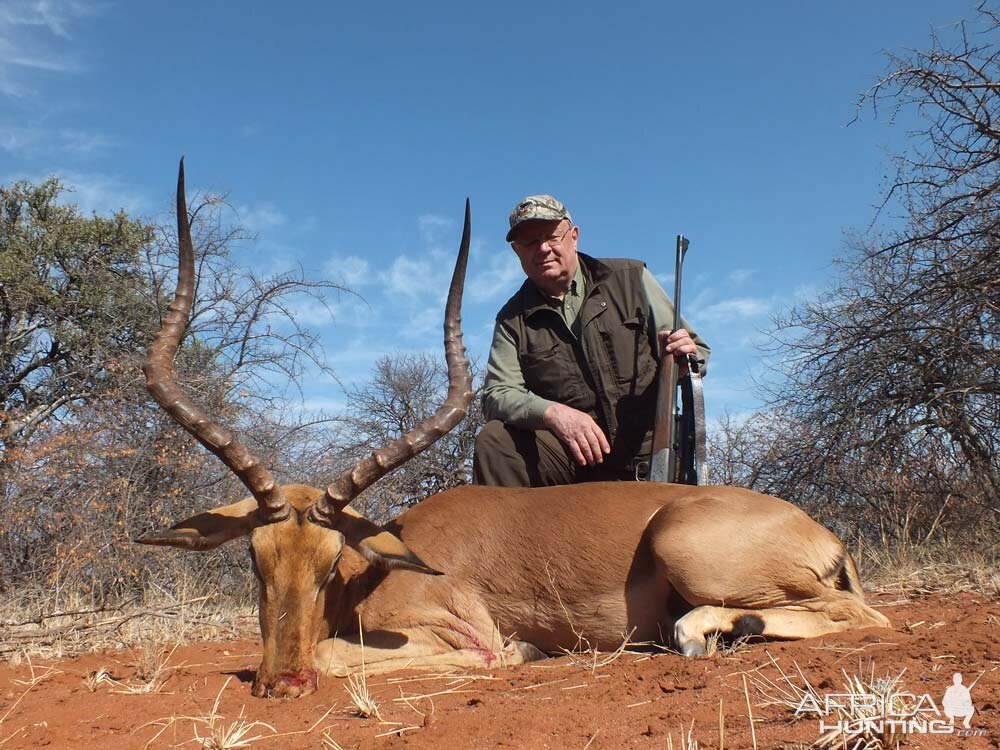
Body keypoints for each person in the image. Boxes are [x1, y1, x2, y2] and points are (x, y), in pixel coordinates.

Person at [473, 194, 710, 487]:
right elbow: (497, 393)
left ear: (574, 236)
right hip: (578, 464)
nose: (543, 249)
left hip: (650, 455)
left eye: (551, 237)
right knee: (495, 441)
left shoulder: (632, 278)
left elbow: (696, 352)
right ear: (516, 251)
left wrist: (685, 360)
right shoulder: (511, 319)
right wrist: (553, 414)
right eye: (530, 243)